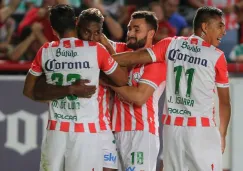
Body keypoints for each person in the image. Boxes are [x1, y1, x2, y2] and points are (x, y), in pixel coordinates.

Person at [112, 6, 231, 171]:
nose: (224, 31)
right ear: (205, 27)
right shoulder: (216, 55)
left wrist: (103, 61)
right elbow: (225, 102)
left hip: (171, 129)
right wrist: (222, 134)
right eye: (220, 26)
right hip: (201, 130)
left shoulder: (171, 44)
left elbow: (137, 56)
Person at [23, 4, 127, 171]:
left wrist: (65, 89)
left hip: (56, 130)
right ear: (76, 22)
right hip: (85, 132)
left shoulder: (46, 50)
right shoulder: (96, 49)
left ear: (53, 28)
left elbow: (28, 91)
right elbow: (122, 80)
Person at [104, 11, 166, 171]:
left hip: (141, 133)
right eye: (129, 28)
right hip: (114, 131)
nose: (130, 33)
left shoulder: (157, 63)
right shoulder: (123, 50)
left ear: (151, 33)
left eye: (136, 30)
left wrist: (109, 80)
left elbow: (139, 98)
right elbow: (101, 44)